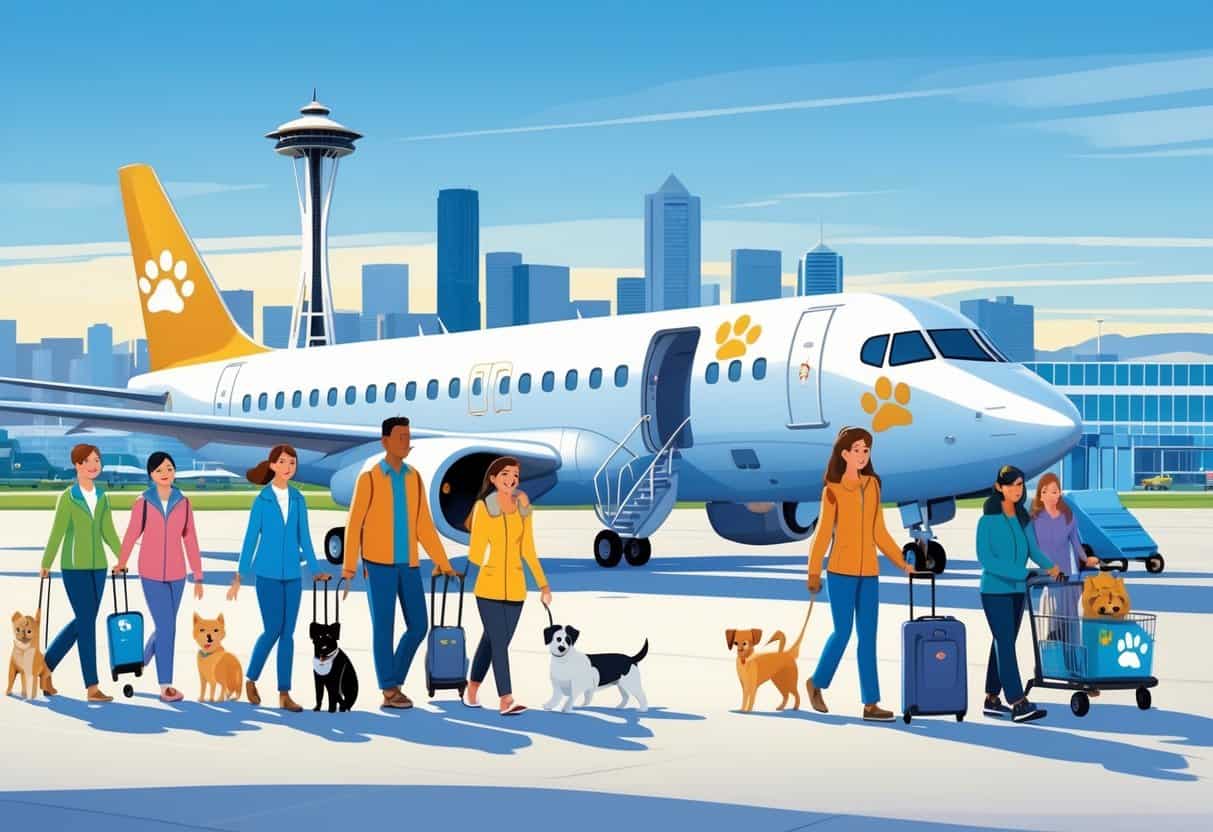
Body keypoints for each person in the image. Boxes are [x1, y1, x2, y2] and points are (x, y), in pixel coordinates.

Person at [342, 417, 456, 710]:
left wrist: (442, 562)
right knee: (384, 627)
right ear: (385, 442)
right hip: (378, 565)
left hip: (409, 565)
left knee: (419, 625)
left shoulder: (413, 477)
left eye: (408, 436)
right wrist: (349, 567)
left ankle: (392, 679)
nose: (407, 442)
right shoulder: (369, 478)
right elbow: (354, 524)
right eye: (401, 437)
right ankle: (390, 690)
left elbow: (424, 526)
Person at [804, 426, 914, 722]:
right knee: (842, 633)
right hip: (840, 572)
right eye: (857, 450)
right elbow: (823, 534)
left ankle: (871, 703)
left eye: (866, 450)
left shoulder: (873, 487)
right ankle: (816, 682)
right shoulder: (833, 491)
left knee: (868, 637)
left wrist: (902, 562)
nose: (863, 455)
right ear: (844, 454)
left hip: (870, 575)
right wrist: (814, 571)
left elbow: (879, 531)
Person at [227, 444, 328, 711]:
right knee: (273, 629)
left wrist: (316, 569)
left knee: (288, 634)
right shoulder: (262, 500)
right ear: (272, 465)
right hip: (267, 574)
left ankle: (284, 693)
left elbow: (304, 537)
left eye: (292, 463)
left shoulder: (298, 499)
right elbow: (251, 538)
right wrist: (240, 573)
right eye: (283, 462)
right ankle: (251, 678)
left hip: (293, 574)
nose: (288, 467)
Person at [463, 457, 552, 715]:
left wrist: (543, 585)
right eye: (505, 474)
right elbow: (476, 554)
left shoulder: (523, 508)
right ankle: (506, 699)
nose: (511, 479)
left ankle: (471, 690)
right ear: (492, 479)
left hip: (515, 587)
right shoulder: (484, 508)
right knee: (499, 643)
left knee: (492, 642)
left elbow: (528, 550)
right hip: (488, 588)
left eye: (515, 475)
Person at [114, 452, 203, 702]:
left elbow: (191, 538)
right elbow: (132, 534)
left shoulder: (183, 502)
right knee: (167, 628)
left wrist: (197, 572)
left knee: (166, 627)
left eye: (169, 468)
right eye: (160, 470)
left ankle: (140, 662)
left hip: (177, 574)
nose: (166, 473)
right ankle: (166, 686)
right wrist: (122, 562)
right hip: (151, 573)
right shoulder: (143, 502)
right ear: (151, 475)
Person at [977, 464, 1062, 723]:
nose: (1017, 489)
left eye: (1021, 484)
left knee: (1002, 642)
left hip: (1017, 591)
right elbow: (987, 560)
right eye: (1012, 484)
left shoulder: (1022, 518)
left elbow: (1033, 550)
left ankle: (992, 698)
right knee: (1004, 642)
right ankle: (1017, 701)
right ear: (999, 487)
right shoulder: (987, 521)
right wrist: (1020, 573)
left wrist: (1050, 566)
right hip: (994, 590)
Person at [39, 444, 122, 701]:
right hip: (74, 568)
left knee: (83, 623)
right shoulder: (68, 497)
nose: (95, 465)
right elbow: (57, 532)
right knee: (86, 625)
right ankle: (92, 687)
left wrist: (122, 556)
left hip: (99, 568)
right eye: (89, 461)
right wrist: (46, 562)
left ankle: (45, 666)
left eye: (98, 460)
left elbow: (108, 531)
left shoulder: (102, 497)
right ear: (77, 465)